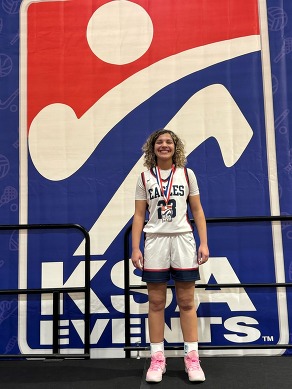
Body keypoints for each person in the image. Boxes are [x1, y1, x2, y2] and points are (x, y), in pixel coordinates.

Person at [131, 128, 209, 383]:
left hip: (183, 240)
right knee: (155, 303)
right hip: (154, 241)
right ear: (152, 148)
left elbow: (197, 210)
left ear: (176, 147)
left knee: (186, 301)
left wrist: (203, 243)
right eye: (159, 142)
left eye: (168, 142)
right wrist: (135, 247)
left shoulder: (187, 174)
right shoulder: (144, 178)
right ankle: (157, 359)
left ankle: (192, 359)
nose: (164, 145)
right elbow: (139, 215)